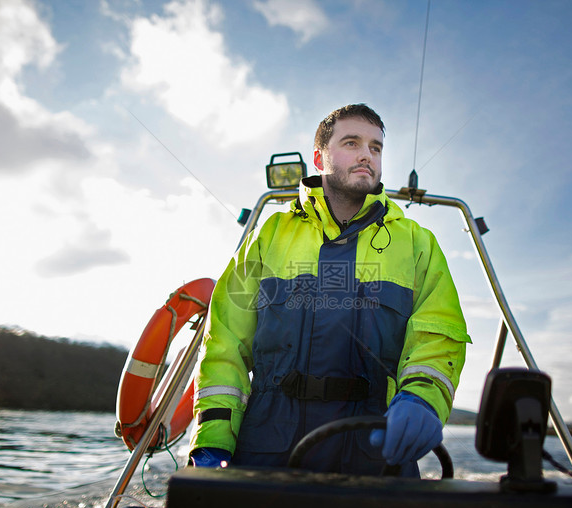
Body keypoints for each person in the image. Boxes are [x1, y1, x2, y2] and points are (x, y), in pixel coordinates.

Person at [188, 104, 471, 476]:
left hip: (376, 452)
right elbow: (225, 344)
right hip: (266, 450)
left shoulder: (419, 244)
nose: (366, 155)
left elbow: (438, 336)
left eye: (376, 147)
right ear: (320, 157)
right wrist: (213, 438)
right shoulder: (268, 236)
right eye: (352, 143)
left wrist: (422, 399)